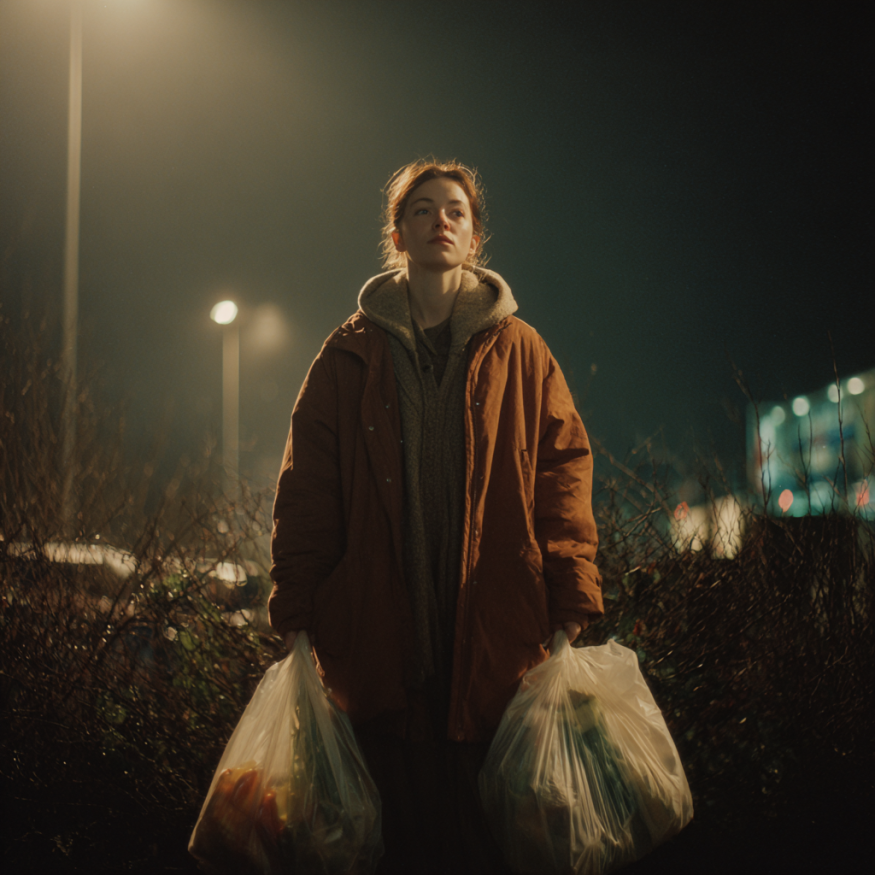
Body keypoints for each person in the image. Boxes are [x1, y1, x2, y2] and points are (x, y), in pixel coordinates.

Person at [269, 159, 603, 874]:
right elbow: (308, 485)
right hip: (378, 629)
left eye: (455, 209)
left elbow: (562, 471)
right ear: (398, 233)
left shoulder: (522, 350)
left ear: (474, 234)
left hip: (495, 628)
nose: (440, 219)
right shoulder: (347, 354)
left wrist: (572, 590)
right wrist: (296, 601)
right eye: (421, 209)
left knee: (486, 836)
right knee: (394, 836)